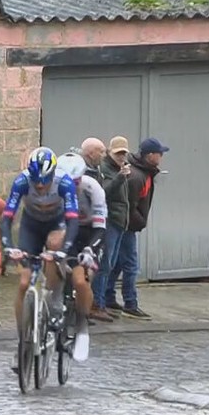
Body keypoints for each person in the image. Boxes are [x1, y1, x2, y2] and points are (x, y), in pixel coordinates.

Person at [1, 147, 80, 345]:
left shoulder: (64, 183)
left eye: (43, 183)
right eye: (35, 182)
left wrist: (63, 251)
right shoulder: (21, 181)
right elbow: (6, 218)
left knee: (54, 247)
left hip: (57, 223)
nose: (39, 187)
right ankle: (23, 341)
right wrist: (9, 247)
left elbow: (73, 220)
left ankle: (55, 301)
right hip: (31, 225)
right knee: (23, 283)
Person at [54, 152, 104, 360]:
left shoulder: (93, 188)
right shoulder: (53, 187)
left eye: (75, 182)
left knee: (81, 282)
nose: (71, 186)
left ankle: (82, 326)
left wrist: (90, 249)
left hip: (91, 234)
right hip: (67, 232)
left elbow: (101, 226)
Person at [114, 138, 166, 320]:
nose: (161, 157)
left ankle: (108, 296)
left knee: (119, 262)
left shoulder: (144, 173)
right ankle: (130, 303)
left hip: (127, 224)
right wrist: (140, 221)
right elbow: (128, 204)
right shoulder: (137, 177)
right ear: (150, 155)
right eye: (160, 153)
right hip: (127, 225)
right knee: (130, 265)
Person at [91, 135, 132, 323]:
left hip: (120, 221)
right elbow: (103, 192)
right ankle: (96, 304)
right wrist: (119, 178)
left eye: (124, 153)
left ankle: (105, 300)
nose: (122, 157)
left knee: (112, 264)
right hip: (109, 221)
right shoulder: (107, 169)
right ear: (110, 152)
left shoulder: (121, 169)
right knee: (104, 264)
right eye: (118, 154)